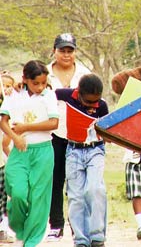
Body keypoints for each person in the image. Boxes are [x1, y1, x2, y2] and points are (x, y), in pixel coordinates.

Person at [0, 60, 59, 247]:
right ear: (25, 79)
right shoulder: (14, 94)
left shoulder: (49, 95)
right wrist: (14, 137)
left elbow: (53, 124)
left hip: (43, 151)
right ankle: (19, 226)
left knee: (38, 198)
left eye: (43, 82)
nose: (40, 87)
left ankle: (31, 242)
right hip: (20, 151)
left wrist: (26, 127)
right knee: (17, 192)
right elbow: (4, 121)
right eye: (36, 83)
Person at [46, 33, 91, 242]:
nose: (66, 54)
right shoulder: (44, 73)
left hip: (78, 135)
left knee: (77, 182)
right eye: (62, 50)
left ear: (75, 52)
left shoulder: (84, 74)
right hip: (51, 134)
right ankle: (55, 224)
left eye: (70, 50)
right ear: (54, 51)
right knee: (55, 180)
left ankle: (77, 225)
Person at [55, 73, 108, 247]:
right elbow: (46, 93)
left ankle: (97, 235)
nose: (94, 105)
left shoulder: (102, 105)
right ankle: (80, 239)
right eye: (90, 102)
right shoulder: (66, 95)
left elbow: (107, 130)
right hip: (73, 151)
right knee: (76, 196)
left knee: (94, 189)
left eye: (96, 101)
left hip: (95, 150)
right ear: (78, 94)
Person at [0, 72, 15, 244]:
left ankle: (2, 229)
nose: (6, 89)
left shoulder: (12, 107)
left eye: (9, 85)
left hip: (4, 159)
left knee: (3, 195)